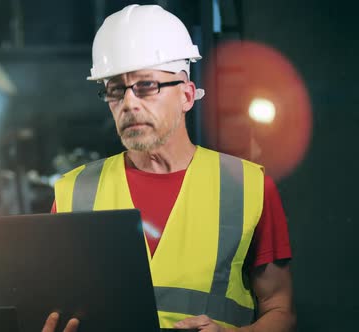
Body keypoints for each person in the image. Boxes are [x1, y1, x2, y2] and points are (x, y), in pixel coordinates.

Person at [45, 4, 295, 332]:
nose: (129, 103)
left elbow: (281, 313)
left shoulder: (248, 187)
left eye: (146, 86)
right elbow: (52, 307)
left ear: (187, 96)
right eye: (116, 90)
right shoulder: (73, 192)